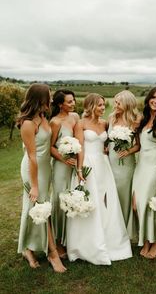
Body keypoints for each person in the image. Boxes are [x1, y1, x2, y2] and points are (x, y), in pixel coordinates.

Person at [66, 93, 132, 265]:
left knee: (105, 200)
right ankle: (87, 244)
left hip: (104, 165)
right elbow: (80, 148)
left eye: (104, 105)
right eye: (100, 105)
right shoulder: (80, 124)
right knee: (90, 200)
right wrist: (79, 169)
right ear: (90, 106)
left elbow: (106, 144)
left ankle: (109, 238)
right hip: (87, 164)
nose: (103, 108)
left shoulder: (105, 123)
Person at [16, 83, 66, 272]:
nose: (51, 99)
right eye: (49, 96)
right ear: (40, 99)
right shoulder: (28, 123)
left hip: (45, 168)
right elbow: (32, 157)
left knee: (34, 208)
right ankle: (52, 254)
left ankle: (27, 248)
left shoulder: (43, 116)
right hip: (32, 171)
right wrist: (35, 186)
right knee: (41, 208)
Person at [127, 87, 156, 259]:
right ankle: (146, 240)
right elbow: (139, 145)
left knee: (151, 204)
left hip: (155, 166)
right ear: (148, 99)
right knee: (137, 205)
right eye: (153, 97)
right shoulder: (143, 119)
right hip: (141, 166)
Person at [50, 89, 79, 258]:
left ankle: (71, 239)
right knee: (60, 200)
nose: (73, 103)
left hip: (75, 165)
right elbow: (51, 146)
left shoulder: (75, 117)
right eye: (69, 102)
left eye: (73, 100)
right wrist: (63, 159)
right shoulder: (55, 122)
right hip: (62, 167)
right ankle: (58, 242)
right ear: (60, 104)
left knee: (73, 199)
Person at [107, 90, 141, 226]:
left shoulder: (136, 120)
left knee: (123, 195)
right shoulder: (112, 118)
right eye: (115, 102)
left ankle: (126, 228)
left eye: (118, 102)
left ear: (127, 104)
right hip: (110, 162)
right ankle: (113, 228)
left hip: (125, 165)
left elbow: (139, 145)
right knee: (111, 195)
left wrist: (128, 151)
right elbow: (107, 138)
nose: (115, 105)